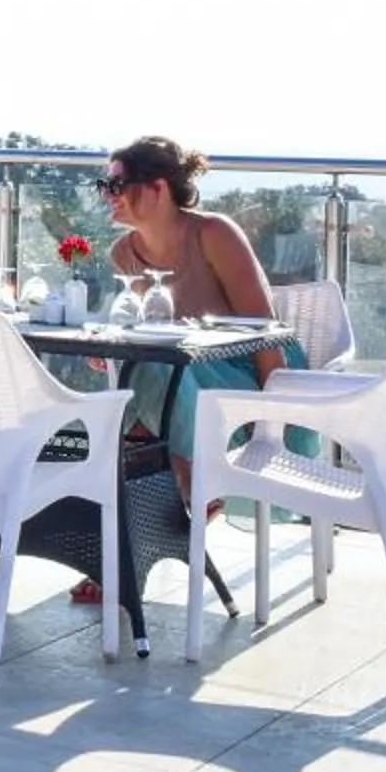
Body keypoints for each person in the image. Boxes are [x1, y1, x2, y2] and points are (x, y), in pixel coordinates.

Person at [96, 134, 287, 597]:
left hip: (243, 371)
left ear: (158, 188)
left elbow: (265, 330)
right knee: (131, 374)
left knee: (139, 388)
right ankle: (137, 537)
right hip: (176, 375)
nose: (107, 195)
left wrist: (273, 418)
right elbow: (147, 332)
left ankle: (121, 553)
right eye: (104, 185)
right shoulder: (123, 253)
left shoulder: (213, 234)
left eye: (116, 184)